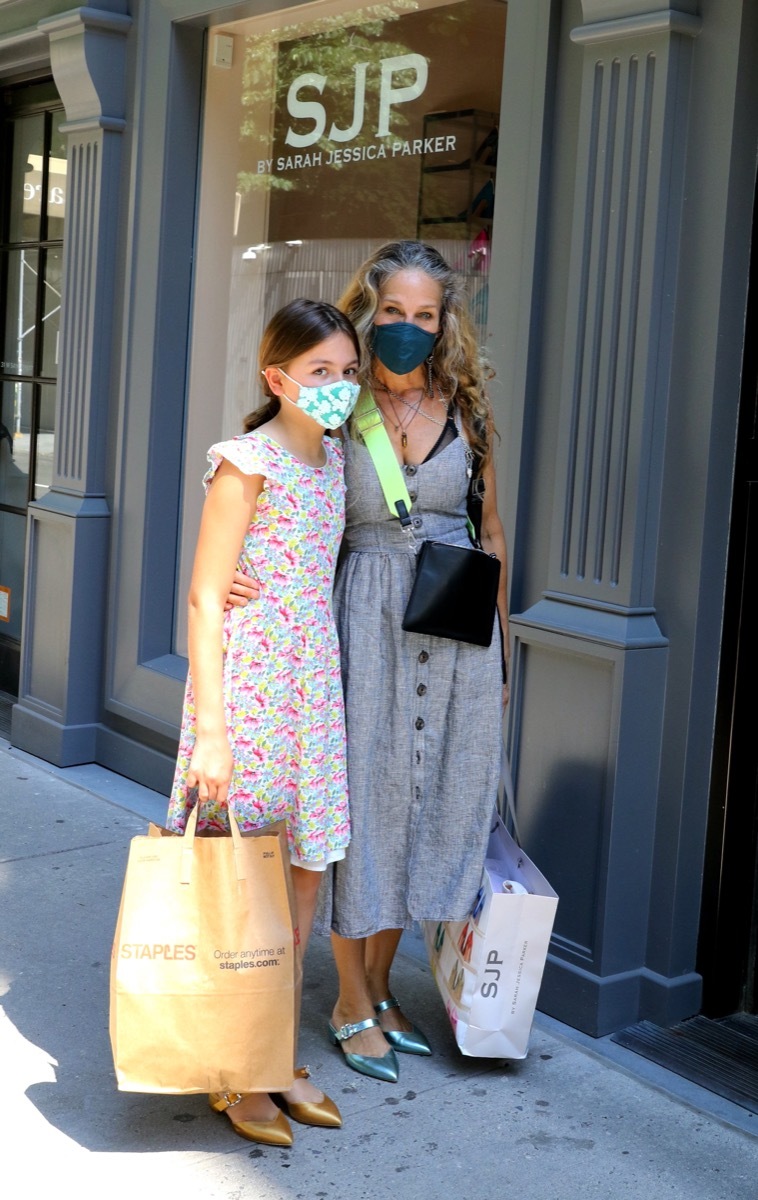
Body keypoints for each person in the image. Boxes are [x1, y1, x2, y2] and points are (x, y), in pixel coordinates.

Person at [228, 241, 510, 1083]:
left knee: (427, 810)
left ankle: (383, 989)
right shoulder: (334, 403)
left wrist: (501, 656)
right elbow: (264, 476)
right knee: (366, 810)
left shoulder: (470, 415)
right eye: (394, 313)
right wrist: (241, 576)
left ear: (443, 323)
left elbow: (491, 531)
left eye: (426, 316)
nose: (408, 330)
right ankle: (349, 999)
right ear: (369, 310)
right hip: (361, 624)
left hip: (456, 632)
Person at [167, 298, 361, 1144]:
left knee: (301, 881)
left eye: (348, 372)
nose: (338, 387)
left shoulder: (340, 462)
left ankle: (274, 1053)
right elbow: (207, 595)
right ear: (277, 378)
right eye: (320, 372)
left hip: (313, 691)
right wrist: (212, 730)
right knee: (236, 888)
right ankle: (231, 1068)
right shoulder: (245, 462)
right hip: (247, 689)